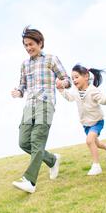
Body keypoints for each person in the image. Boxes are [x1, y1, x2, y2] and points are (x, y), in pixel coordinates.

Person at [11, 26, 71, 194]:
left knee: (37, 139)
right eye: (26, 45)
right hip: (29, 105)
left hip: (46, 104)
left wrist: (62, 83)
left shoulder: (51, 59)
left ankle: (30, 181)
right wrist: (18, 92)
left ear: (40, 43)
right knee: (24, 142)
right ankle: (52, 159)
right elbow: (22, 86)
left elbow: (66, 79)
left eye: (31, 44)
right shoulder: (24, 65)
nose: (29, 48)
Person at [57, 64, 106, 176]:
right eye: (72, 78)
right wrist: (61, 91)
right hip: (86, 123)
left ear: (86, 76)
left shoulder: (93, 90)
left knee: (89, 141)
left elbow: (104, 101)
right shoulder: (75, 91)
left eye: (76, 77)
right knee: (96, 143)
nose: (74, 80)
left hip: (97, 121)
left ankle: (96, 166)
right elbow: (70, 98)